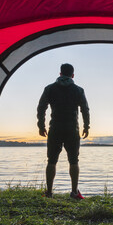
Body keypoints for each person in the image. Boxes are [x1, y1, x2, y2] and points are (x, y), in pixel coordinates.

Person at [37, 63, 90, 199]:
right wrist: (86, 126)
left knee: (51, 161)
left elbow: (41, 107)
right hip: (72, 129)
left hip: (55, 128)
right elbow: (85, 109)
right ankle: (74, 192)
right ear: (72, 75)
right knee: (74, 161)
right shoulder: (78, 90)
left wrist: (41, 125)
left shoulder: (50, 88)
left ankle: (49, 193)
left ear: (60, 74)